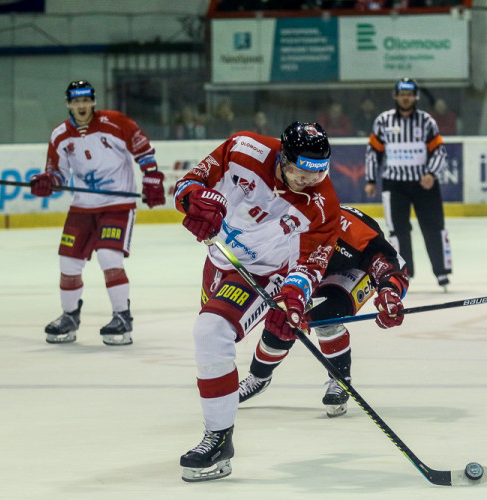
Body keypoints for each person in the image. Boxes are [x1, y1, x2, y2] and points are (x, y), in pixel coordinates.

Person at [174, 122, 341, 482]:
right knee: (211, 341)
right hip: (218, 261)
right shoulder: (242, 148)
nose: (307, 180)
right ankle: (219, 429)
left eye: (317, 172)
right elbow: (188, 185)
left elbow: (311, 263)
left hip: (264, 274)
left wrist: (293, 298)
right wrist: (193, 202)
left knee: (210, 331)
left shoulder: (324, 205)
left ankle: (218, 440)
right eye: (299, 170)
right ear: (283, 156)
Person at [29, 80, 166, 346]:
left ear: (93, 101)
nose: (81, 106)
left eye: (86, 100)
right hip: (82, 207)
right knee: (67, 263)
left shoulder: (115, 122)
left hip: (117, 204)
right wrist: (47, 181)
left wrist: (151, 177)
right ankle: (69, 316)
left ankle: (122, 316)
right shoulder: (60, 135)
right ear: (69, 104)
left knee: (108, 256)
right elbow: (56, 173)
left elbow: (144, 150)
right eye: (76, 101)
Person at [238, 205, 409, 417]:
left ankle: (340, 379)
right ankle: (259, 377)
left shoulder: (355, 231)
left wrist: (388, 292)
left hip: (351, 269)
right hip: (307, 269)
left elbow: (392, 264)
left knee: (327, 316)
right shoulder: (282, 223)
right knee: (282, 320)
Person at [364, 78, 452, 290]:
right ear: (396, 96)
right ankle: (404, 272)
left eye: (409, 94)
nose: (405, 97)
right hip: (394, 185)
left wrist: (432, 173)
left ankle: (442, 273)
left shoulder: (426, 121)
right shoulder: (383, 121)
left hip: (425, 185)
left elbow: (439, 151)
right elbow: (373, 152)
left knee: (434, 228)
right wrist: (370, 179)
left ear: (415, 97)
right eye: (402, 94)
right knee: (397, 231)